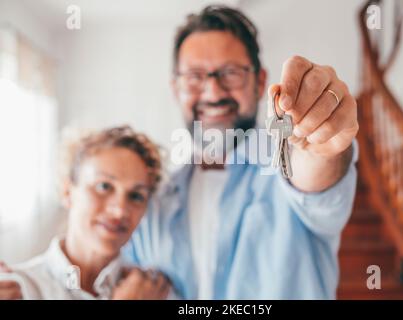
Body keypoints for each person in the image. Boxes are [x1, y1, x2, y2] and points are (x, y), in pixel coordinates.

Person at [123, 5, 359, 299]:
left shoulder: (287, 165)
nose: (212, 91)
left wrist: (323, 141)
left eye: (230, 73)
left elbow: (314, 173)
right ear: (176, 88)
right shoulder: (153, 202)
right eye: (195, 76)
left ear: (260, 82)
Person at [0, 126, 171, 299]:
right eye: (104, 186)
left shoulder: (156, 291)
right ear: (67, 192)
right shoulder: (17, 289)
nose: (119, 211)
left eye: (136, 196)